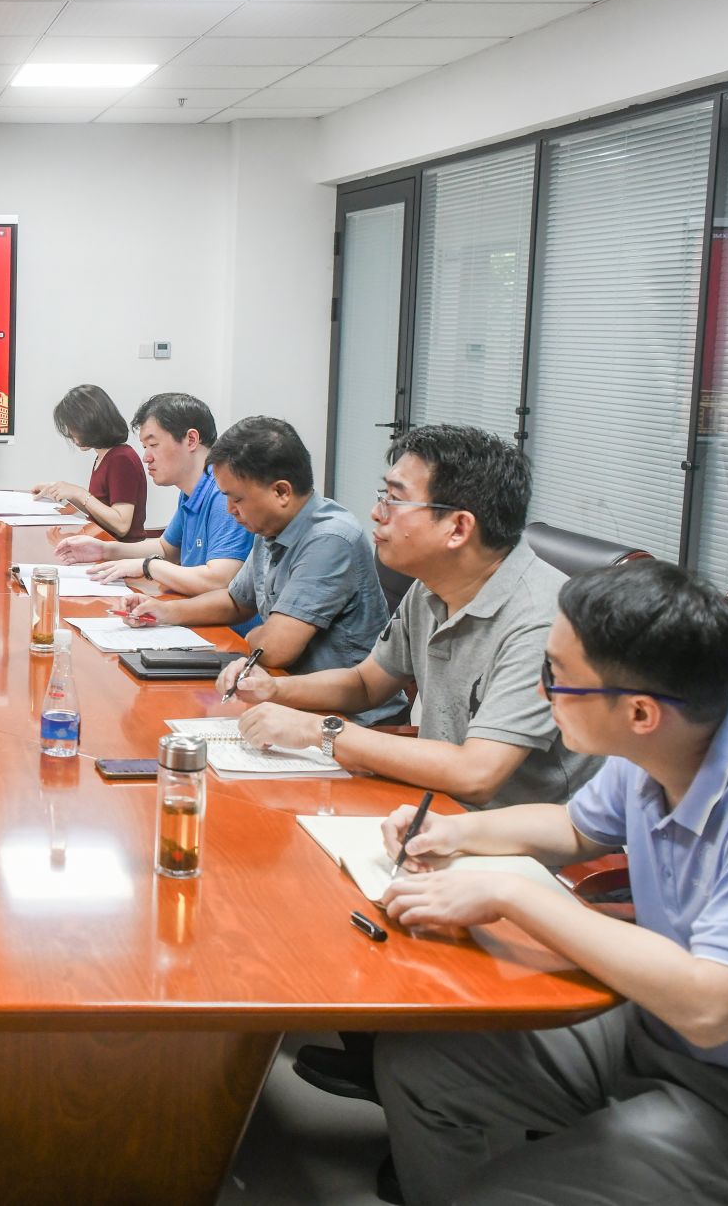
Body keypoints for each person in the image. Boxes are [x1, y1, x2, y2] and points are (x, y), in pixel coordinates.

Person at [373, 561, 728, 1206]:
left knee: (503, 1193)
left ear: (639, 711)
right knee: (422, 1066)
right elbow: (574, 827)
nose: (542, 692)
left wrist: (513, 895)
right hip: (662, 1033)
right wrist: (455, 832)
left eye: (557, 677)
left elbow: (710, 1007)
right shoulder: (666, 745)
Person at [222, 425, 593, 1105]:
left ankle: (420, 1061)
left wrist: (322, 733)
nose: (376, 513)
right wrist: (276, 691)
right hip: (436, 810)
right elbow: (368, 682)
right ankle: (379, 1043)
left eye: (394, 498)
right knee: (270, 842)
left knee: (297, 867)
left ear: (458, 527)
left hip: (515, 838)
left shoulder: (541, 618)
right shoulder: (432, 587)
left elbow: (479, 772)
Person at [124, 416, 399, 721]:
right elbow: (235, 601)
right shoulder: (270, 527)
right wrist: (164, 611)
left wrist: (255, 637)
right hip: (285, 697)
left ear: (281, 492)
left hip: (347, 719)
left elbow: (275, 649)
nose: (230, 510)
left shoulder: (329, 538)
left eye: (237, 499)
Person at [51, 392, 253, 608]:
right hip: (192, 609)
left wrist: (148, 566)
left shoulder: (224, 495)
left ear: (191, 440)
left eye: (153, 445)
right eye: (145, 447)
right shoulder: (191, 491)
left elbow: (218, 581)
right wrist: (104, 549)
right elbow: (166, 549)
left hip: (222, 625)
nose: (146, 458)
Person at [30, 384, 147, 540]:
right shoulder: (104, 456)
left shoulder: (121, 459)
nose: (70, 433)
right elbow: (98, 510)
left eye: (73, 426)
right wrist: (61, 491)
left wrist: (79, 493)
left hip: (119, 550)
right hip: (101, 543)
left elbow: (121, 525)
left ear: (90, 422)